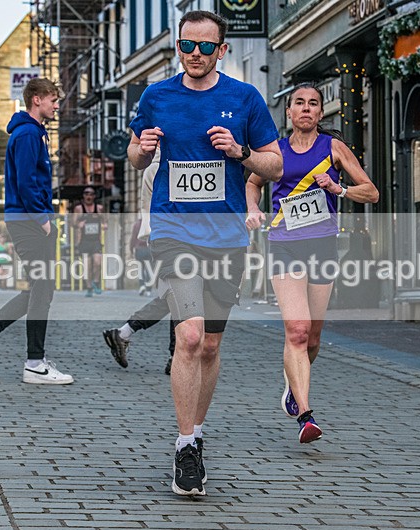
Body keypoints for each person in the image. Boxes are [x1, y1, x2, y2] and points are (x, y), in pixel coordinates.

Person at [128, 10, 282, 497]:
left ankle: (196, 428)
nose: (194, 54)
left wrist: (239, 152)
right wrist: (143, 148)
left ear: (222, 50)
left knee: (211, 345)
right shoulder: (156, 96)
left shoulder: (244, 98)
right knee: (189, 336)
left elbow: (274, 164)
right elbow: (133, 156)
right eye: (186, 45)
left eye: (204, 46)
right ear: (178, 47)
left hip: (228, 236)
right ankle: (186, 443)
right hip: (174, 230)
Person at [246, 82, 379, 444]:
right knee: (298, 331)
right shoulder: (276, 151)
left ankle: (293, 384)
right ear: (288, 111)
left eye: (313, 104)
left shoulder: (333, 148)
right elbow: (253, 181)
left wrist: (340, 190)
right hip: (284, 245)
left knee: (314, 339)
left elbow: (372, 191)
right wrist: (254, 208)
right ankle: (305, 414)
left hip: (322, 246)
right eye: (299, 103)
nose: (306, 109)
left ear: (321, 113)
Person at [0, 77, 73, 385]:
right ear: (36, 99)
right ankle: (32, 362)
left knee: (42, 288)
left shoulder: (32, 133)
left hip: (26, 220)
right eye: (53, 99)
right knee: (42, 288)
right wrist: (42, 219)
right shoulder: (26, 134)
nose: (56, 105)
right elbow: (26, 181)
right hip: (28, 221)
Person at [103, 148, 176, 375]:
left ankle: (125, 334)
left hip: (165, 239)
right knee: (177, 297)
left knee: (176, 298)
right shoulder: (161, 168)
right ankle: (175, 355)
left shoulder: (154, 168)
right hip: (172, 240)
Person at [74, 186, 104, 296]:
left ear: (94, 196)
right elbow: (73, 223)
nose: (88, 196)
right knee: (87, 266)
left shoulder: (99, 208)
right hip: (84, 241)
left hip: (96, 240)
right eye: (86, 194)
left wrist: (104, 225)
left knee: (97, 262)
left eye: (91, 194)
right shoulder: (79, 209)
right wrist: (78, 224)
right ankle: (89, 287)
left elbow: (105, 220)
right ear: (84, 196)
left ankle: (96, 282)